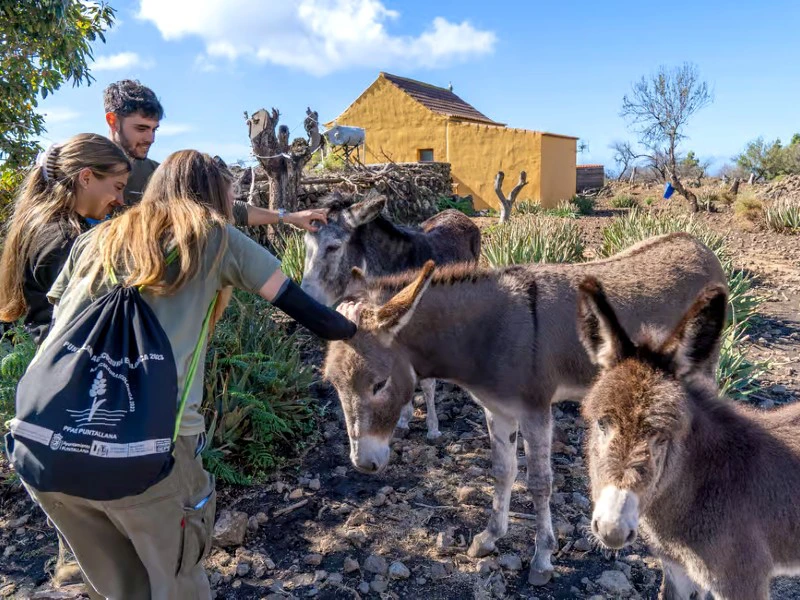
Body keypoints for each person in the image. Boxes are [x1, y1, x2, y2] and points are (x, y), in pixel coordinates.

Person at [21, 150, 356, 599]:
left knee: (119, 589)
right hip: (148, 452)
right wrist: (361, 323)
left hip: (44, 445)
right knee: (177, 585)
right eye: (230, 196)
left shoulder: (95, 237)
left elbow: (58, 323)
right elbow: (313, 315)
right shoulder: (215, 237)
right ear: (217, 196)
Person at [103, 79, 320, 230]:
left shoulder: (156, 175)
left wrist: (289, 217)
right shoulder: (86, 166)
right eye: (141, 129)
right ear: (113, 121)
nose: (150, 139)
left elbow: (222, 206)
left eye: (154, 129)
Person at [0, 133, 130, 345]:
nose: (120, 200)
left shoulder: (42, 226)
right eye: (118, 187)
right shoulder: (66, 240)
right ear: (86, 178)